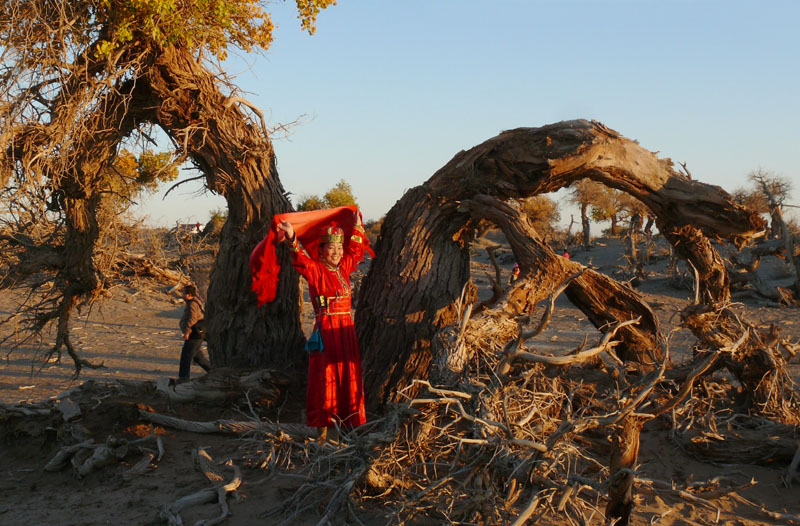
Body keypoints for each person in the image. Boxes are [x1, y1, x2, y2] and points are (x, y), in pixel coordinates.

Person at [276, 211, 368, 442]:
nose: (336, 253)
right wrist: (291, 236)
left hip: (346, 330)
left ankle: (347, 425)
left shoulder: (343, 268)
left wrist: (357, 227)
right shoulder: (316, 270)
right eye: (331, 248)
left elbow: (356, 251)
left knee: (347, 376)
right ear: (322, 250)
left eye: (338, 248)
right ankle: (322, 430)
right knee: (325, 379)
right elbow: (300, 259)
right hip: (327, 331)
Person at [178, 284, 211, 380]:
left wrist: (187, 331)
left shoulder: (192, 303)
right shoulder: (195, 302)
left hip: (194, 334)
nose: (182, 295)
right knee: (198, 357)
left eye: (183, 293)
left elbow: (193, 318)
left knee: (186, 357)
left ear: (188, 295)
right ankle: (212, 371)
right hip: (196, 333)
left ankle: (183, 378)